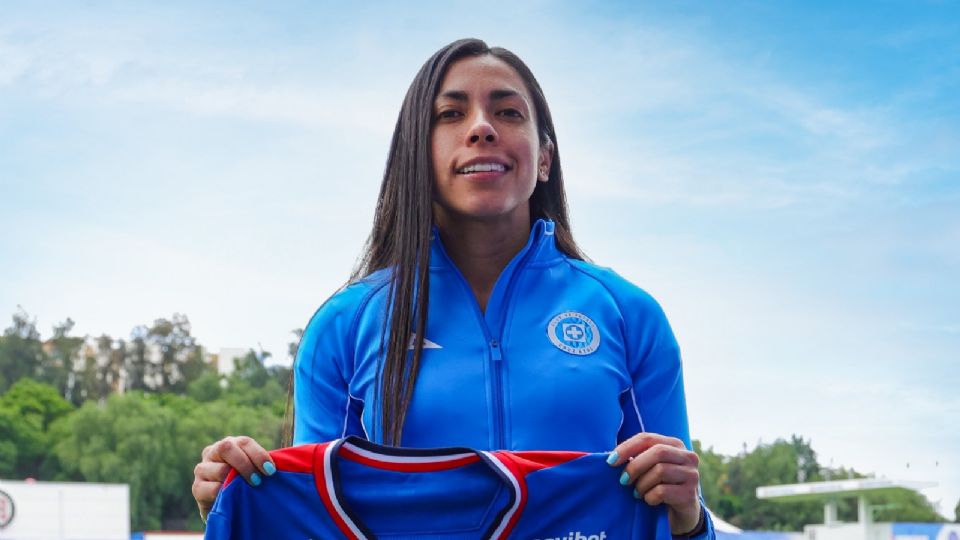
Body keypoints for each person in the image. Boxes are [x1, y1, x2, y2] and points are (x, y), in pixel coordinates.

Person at [192, 38, 713, 538]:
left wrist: (689, 520)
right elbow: (310, 523)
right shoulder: (345, 325)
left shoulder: (628, 316)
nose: (481, 128)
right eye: (450, 114)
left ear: (545, 158)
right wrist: (234, 501)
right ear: (417, 155)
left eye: (508, 112)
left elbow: (677, 520)